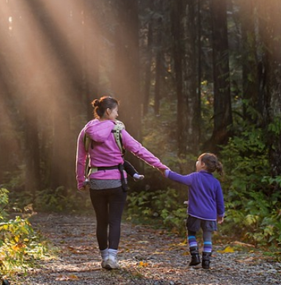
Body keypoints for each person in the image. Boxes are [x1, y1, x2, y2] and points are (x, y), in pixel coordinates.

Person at [76, 96, 169, 270]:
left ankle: (104, 258)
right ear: (109, 111)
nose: (118, 114)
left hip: (96, 182)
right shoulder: (117, 130)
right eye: (116, 110)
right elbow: (138, 149)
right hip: (116, 182)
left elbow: (81, 159)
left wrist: (81, 181)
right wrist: (160, 166)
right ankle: (112, 257)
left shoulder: (86, 131)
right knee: (115, 221)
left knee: (101, 221)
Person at [162, 153, 225, 269]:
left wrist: (166, 172)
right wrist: (220, 215)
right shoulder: (216, 182)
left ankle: (195, 256)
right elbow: (220, 201)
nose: (196, 163)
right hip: (210, 215)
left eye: (198, 161)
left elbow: (180, 178)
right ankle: (206, 261)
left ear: (203, 165)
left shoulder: (194, 177)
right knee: (207, 237)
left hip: (195, 213)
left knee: (191, 233)